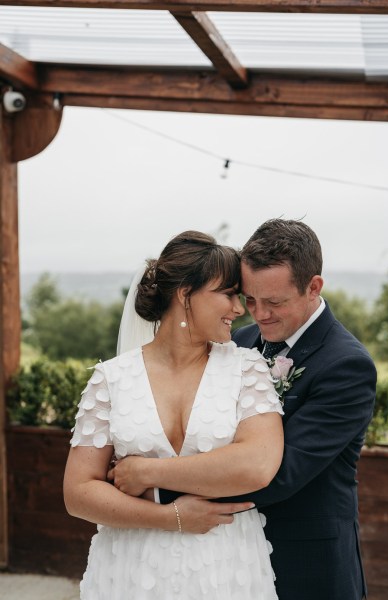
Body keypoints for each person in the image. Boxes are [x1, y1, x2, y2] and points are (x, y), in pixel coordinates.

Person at [116, 219, 376, 600]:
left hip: (305, 559)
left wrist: (152, 486)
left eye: (274, 302)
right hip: (228, 556)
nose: (258, 314)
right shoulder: (238, 341)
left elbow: (280, 473)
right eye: (249, 299)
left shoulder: (346, 366)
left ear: (313, 287)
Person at [63, 230, 284, 600]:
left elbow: (257, 465)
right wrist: (172, 518)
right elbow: (78, 492)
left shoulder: (248, 369)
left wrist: (146, 472)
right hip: (131, 567)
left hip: (225, 565)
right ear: (185, 294)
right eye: (228, 293)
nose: (239, 309)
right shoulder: (112, 379)